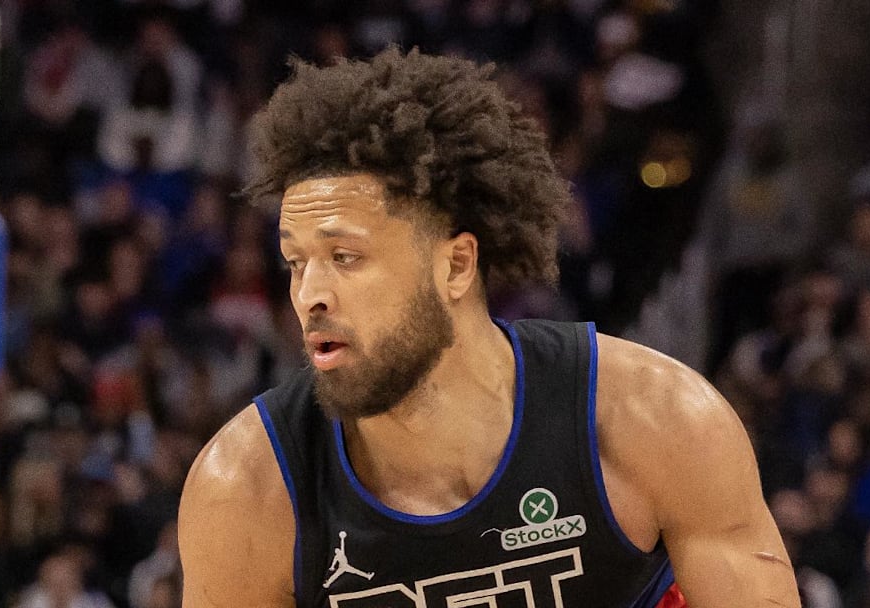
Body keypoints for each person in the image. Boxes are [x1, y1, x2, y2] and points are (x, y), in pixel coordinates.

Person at [178, 47, 800, 608]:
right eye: (295, 262)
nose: (309, 295)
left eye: (345, 258)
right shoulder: (246, 491)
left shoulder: (652, 418)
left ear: (455, 264)